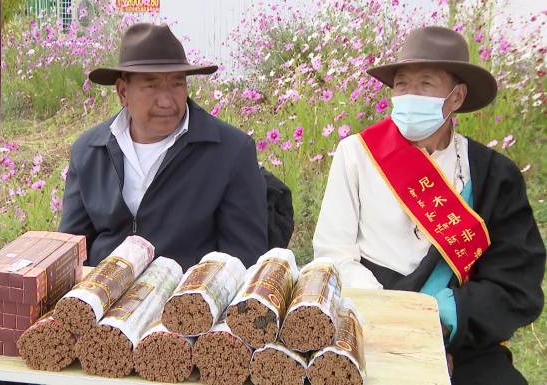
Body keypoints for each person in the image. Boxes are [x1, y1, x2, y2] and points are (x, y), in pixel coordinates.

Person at [312, 26, 544, 384]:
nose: (409, 94)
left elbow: (514, 282)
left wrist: (439, 323)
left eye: (425, 84)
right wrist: (397, 320)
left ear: (456, 97)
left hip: (458, 336)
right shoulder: (356, 154)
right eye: (402, 84)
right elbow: (333, 254)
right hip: (367, 322)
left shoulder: (492, 174)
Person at [59, 23, 268, 268]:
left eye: (177, 84)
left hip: (188, 300)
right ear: (123, 91)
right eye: (152, 85)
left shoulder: (230, 151)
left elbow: (244, 260)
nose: (167, 101)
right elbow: (71, 250)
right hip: (104, 297)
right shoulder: (89, 151)